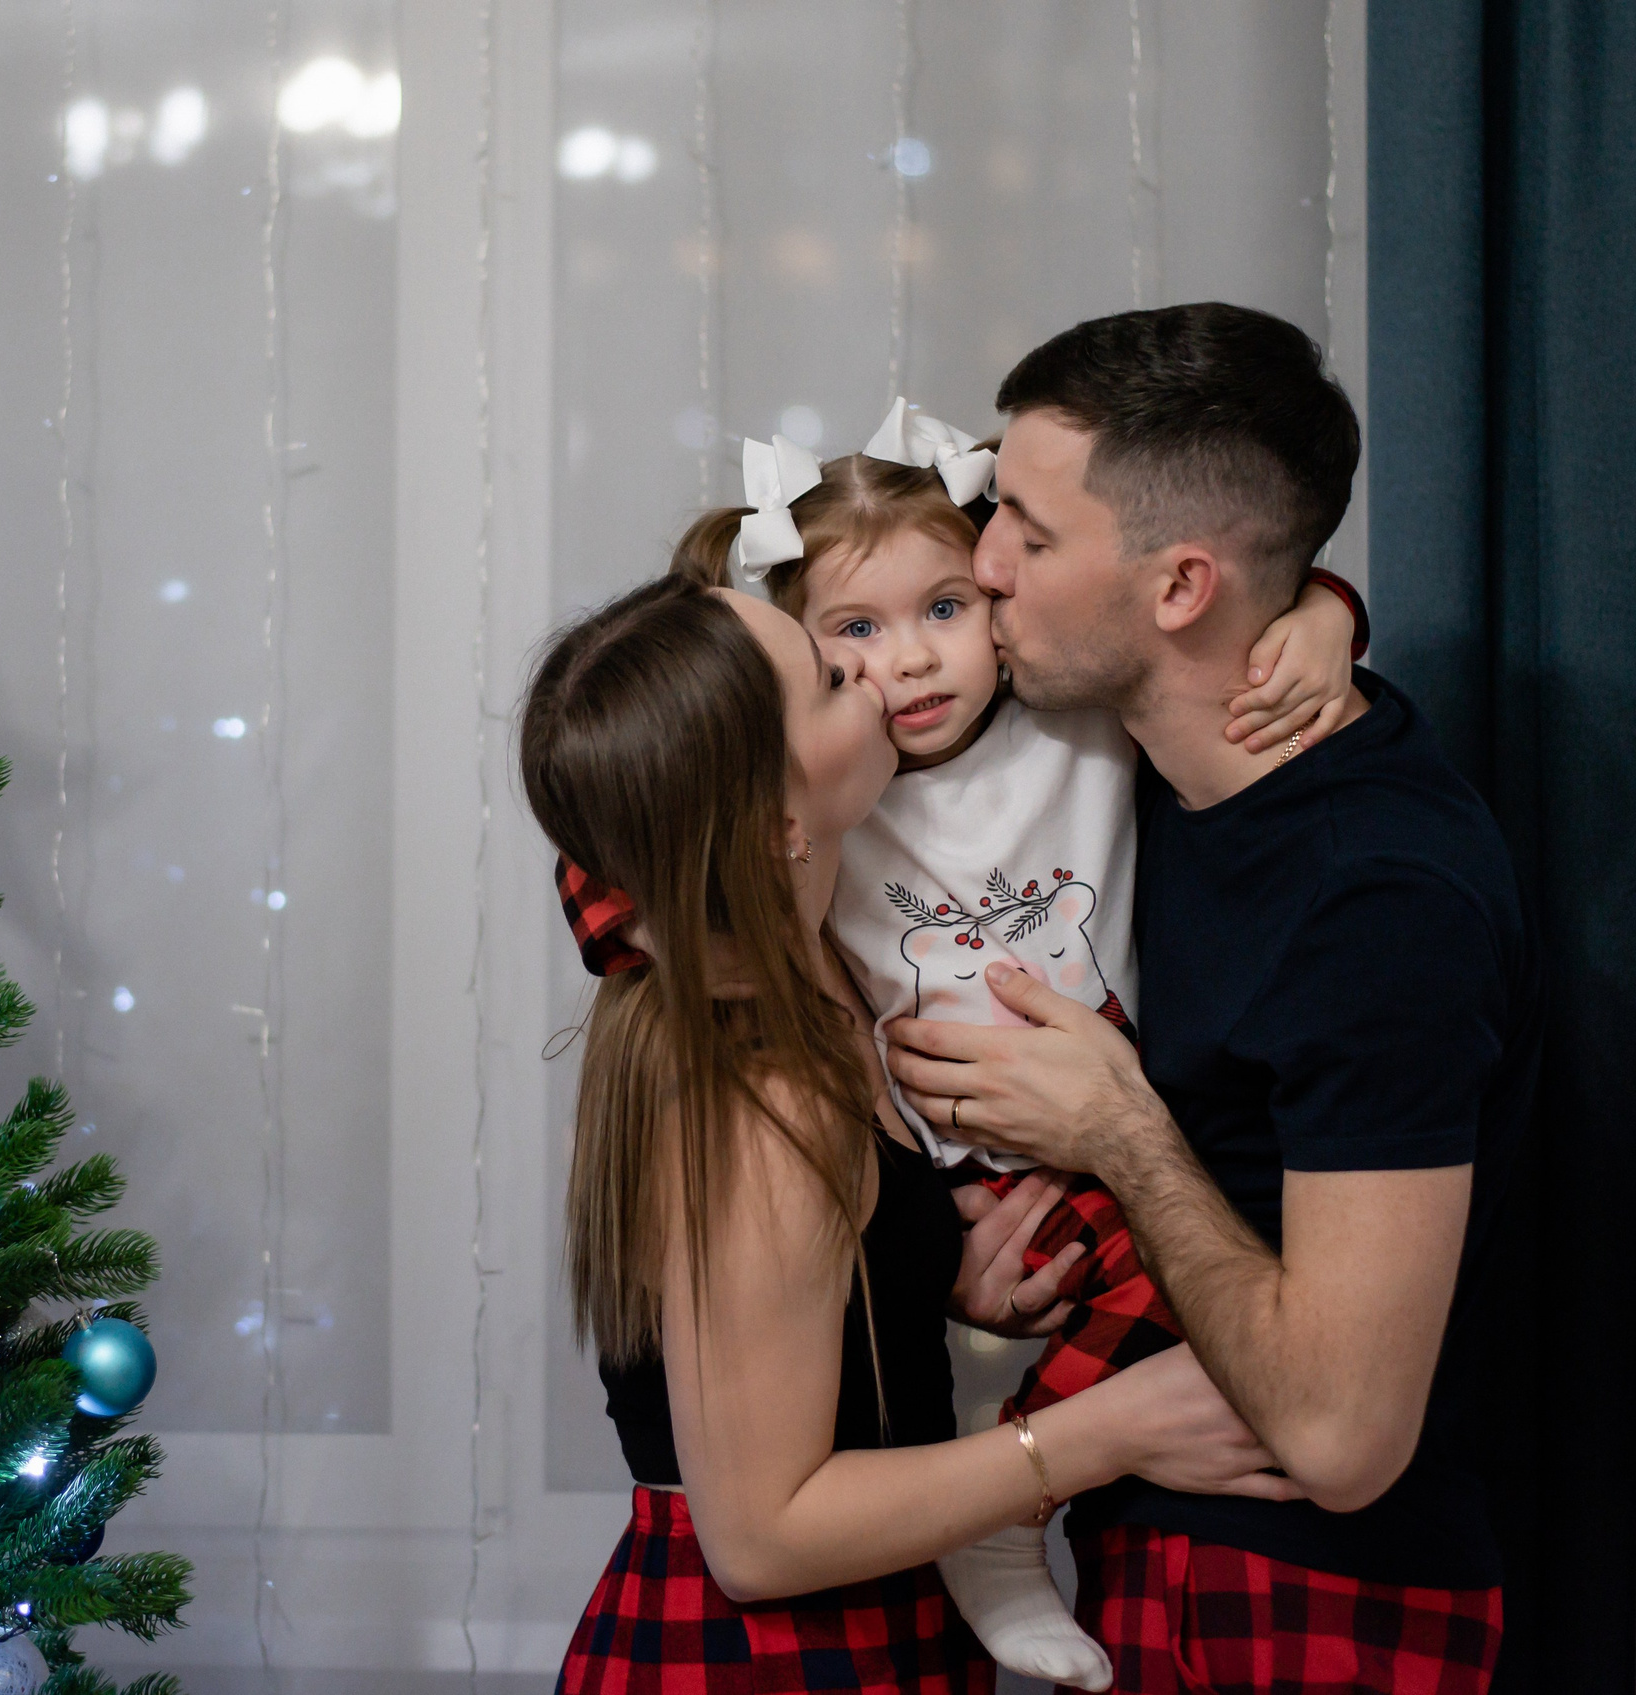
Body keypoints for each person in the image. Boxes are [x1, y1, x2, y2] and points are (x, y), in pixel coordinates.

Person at [554, 402, 1368, 1689]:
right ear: (772, 817)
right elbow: (759, 1540)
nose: (885, 676)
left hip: (883, 1622)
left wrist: (1319, 608)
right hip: (761, 1655)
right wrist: (1102, 1435)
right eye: (834, 668)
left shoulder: (805, 943)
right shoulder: (747, 1090)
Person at [886, 302, 1535, 1695]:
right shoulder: (1116, 758)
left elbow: (1344, 1435)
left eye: (1032, 535)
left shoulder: (1382, 898)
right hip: (1148, 1556)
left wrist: (1118, 1128)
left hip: (1316, 1596)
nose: (983, 563)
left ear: (1181, 588)